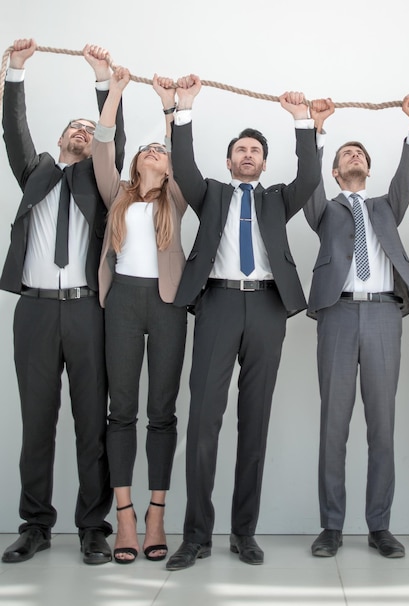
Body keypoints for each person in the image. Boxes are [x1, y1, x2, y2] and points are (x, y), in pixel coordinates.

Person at [164, 75, 320, 571]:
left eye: (255, 150)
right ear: (229, 160)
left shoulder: (277, 198)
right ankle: (195, 536)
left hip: (269, 308)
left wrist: (302, 120)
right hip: (218, 305)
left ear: (264, 162)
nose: (248, 155)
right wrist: (183, 110)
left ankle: (244, 533)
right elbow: (182, 165)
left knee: (255, 422)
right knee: (204, 420)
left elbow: (311, 177)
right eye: (241, 150)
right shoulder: (209, 193)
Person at [0, 39, 125, 565]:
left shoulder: (99, 185)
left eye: (86, 128)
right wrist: (16, 71)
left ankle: (92, 526)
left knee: (90, 419)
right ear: (58, 139)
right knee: (37, 419)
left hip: (86, 310)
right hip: (34, 309)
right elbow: (14, 130)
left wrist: (103, 82)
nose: (81, 131)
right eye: (72, 127)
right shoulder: (36, 173)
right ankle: (35, 524)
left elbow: (110, 135)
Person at [304, 96, 409, 558]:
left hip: (382, 316)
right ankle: (331, 526)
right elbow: (307, 179)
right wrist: (315, 133)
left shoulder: (383, 207)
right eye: (346, 155)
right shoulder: (324, 209)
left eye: (360, 155)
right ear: (336, 172)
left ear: (368, 171)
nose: (354, 157)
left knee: (382, 425)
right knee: (333, 425)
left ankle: (380, 526)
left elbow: (406, 177)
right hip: (337, 313)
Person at [91, 68, 188, 564]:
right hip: (123, 302)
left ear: (169, 167)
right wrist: (117, 93)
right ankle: (124, 515)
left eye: (162, 151)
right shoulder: (118, 195)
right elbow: (101, 147)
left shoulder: (176, 196)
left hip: (168, 303)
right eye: (148, 149)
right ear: (136, 163)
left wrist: (170, 107)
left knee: (162, 412)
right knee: (121, 409)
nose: (155, 151)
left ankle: (156, 512)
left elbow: (181, 149)